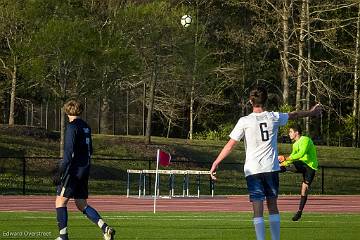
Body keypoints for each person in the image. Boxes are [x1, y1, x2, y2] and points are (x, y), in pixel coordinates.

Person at [209, 86, 321, 240]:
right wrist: (312, 112)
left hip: (253, 170)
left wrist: (216, 162)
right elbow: (294, 115)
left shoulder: (245, 121)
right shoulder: (273, 117)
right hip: (270, 168)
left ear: (250, 101)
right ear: (266, 100)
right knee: (273, 206)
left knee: (257, 208)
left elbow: (230, 145)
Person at [54, 100, 115, 240]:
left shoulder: (71, 127)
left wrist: (60, 171)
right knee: (81, 204)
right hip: (85, 168)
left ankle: (63, 237)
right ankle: (106, 229)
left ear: (66, 111)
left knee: (60, 202)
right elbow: (90, 150)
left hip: (73, 170)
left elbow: (68, 153)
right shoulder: (86, 126)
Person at [278, 125, 318, 221]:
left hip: (310, 166)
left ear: (296, 132)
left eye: (290, 132)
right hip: (302, 164)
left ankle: (299, 212)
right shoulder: (295, 144)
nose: (289, 134)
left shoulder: (305, 140)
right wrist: (282, 163)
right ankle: (274, 171)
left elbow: (301, 154)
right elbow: (293, 156)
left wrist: (285, 158)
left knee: (304, 189)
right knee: (282, 167)